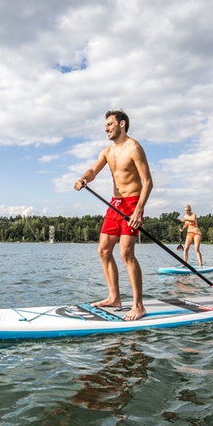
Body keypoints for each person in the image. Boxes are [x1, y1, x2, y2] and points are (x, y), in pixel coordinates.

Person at [74, 109, 153, 320]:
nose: (106, 128)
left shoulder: (134, 148)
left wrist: (138, 210)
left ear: (122, 124)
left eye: (109, 124)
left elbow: (148, 183)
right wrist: (84, 179)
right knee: (103, 250)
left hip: (132, 203)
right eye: (105, 125)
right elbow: (93, 170)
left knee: (126, 252)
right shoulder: (107, 151)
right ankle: (114, 297)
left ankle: (138, 305)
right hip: (115, 204)